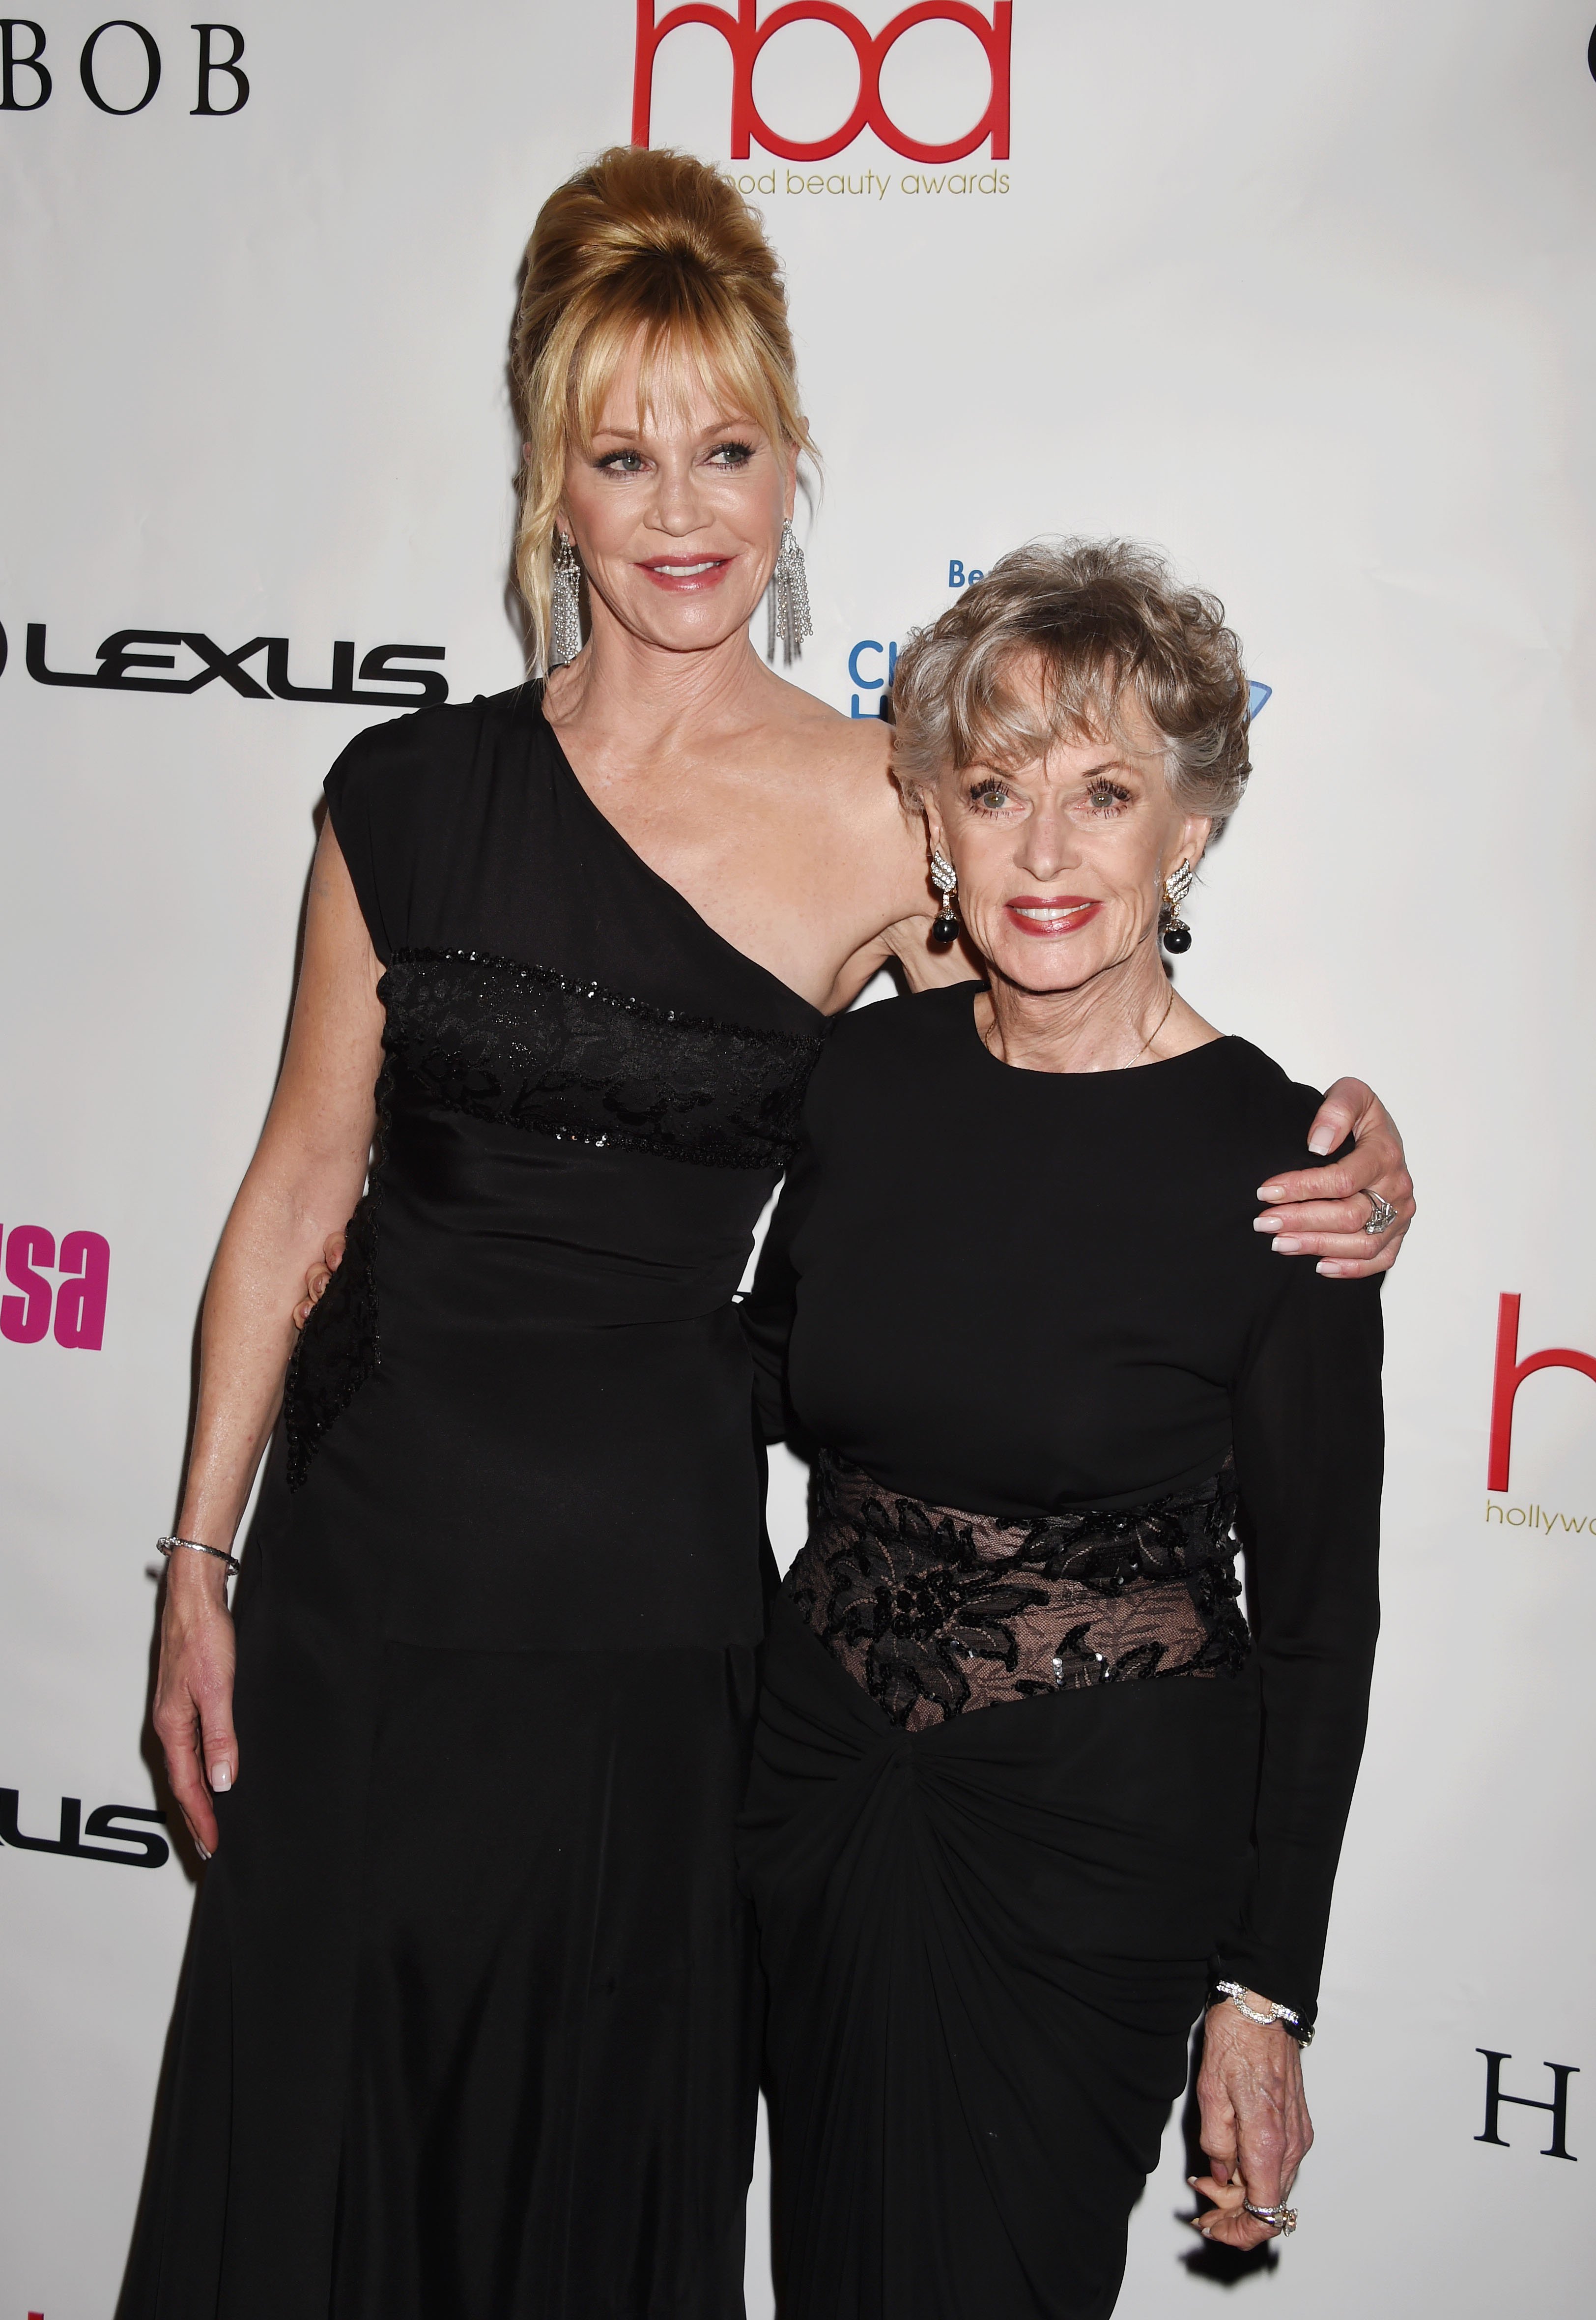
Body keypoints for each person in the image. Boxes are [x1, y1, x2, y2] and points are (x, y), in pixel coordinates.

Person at [128, 147, 1410, 2320]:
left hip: (652, 1626)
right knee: (315, 2179)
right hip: (363, 1597)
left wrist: (1332, 1150)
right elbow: (294, 1187)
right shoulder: (402, 795)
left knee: (574, 2184)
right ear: (550, 481)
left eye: (723, 446)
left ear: (792, 458)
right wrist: (196, 1560)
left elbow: (1067, 1041)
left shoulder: (878, 807)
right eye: (621, 455)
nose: (678, 506)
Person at [737, 540, 1387, 2320]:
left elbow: (1324, 1620)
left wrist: (1265, 1994)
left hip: (1088, 1848)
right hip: (820, 1787)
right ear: (934, 818)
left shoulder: (1287, 1171)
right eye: (998, 788)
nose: (1044, 852)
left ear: (1187, 832)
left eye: (1104, 794)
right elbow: (768, 1371)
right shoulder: (868, 1082)